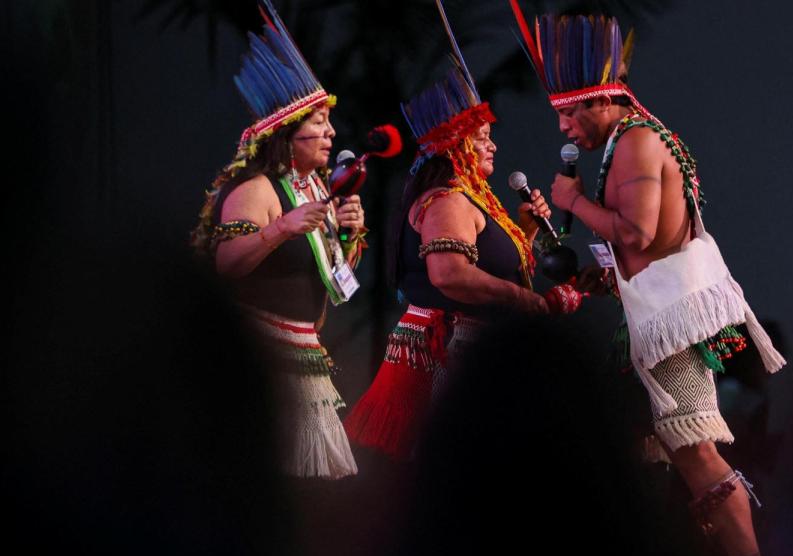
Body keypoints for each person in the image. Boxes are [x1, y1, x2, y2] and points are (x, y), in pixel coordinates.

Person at [510, 7, 786, 556]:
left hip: (668, 328)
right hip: (654, 320)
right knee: (667, 452)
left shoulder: (634, 142)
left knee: (696, 452)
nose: (563, 128)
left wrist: (573, 203)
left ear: (602, 100)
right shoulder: (626, 142)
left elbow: (635, 230)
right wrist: (608, 278)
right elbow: (651, 245)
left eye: (568, 113)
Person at [343, 3, 573, 461]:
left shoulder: (470, 198)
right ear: (458, 146)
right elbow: (449, 275)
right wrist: (524, 300)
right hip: (444, 354)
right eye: (483, 137)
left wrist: (524, 231)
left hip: (468, 349)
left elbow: (487, 269)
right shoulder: (447, 199)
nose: (493, 145)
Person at [191, 0, 365, 480]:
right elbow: (227, 265)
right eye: (318, 124)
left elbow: (328, 272)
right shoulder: (255, 191)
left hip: (306, 346)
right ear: (286, 136)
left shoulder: (315, 189)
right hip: (265, 350)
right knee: (273, 477)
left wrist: (347, 235)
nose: (331, 132)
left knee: (313, 486)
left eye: (328, 123)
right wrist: (280, 228)